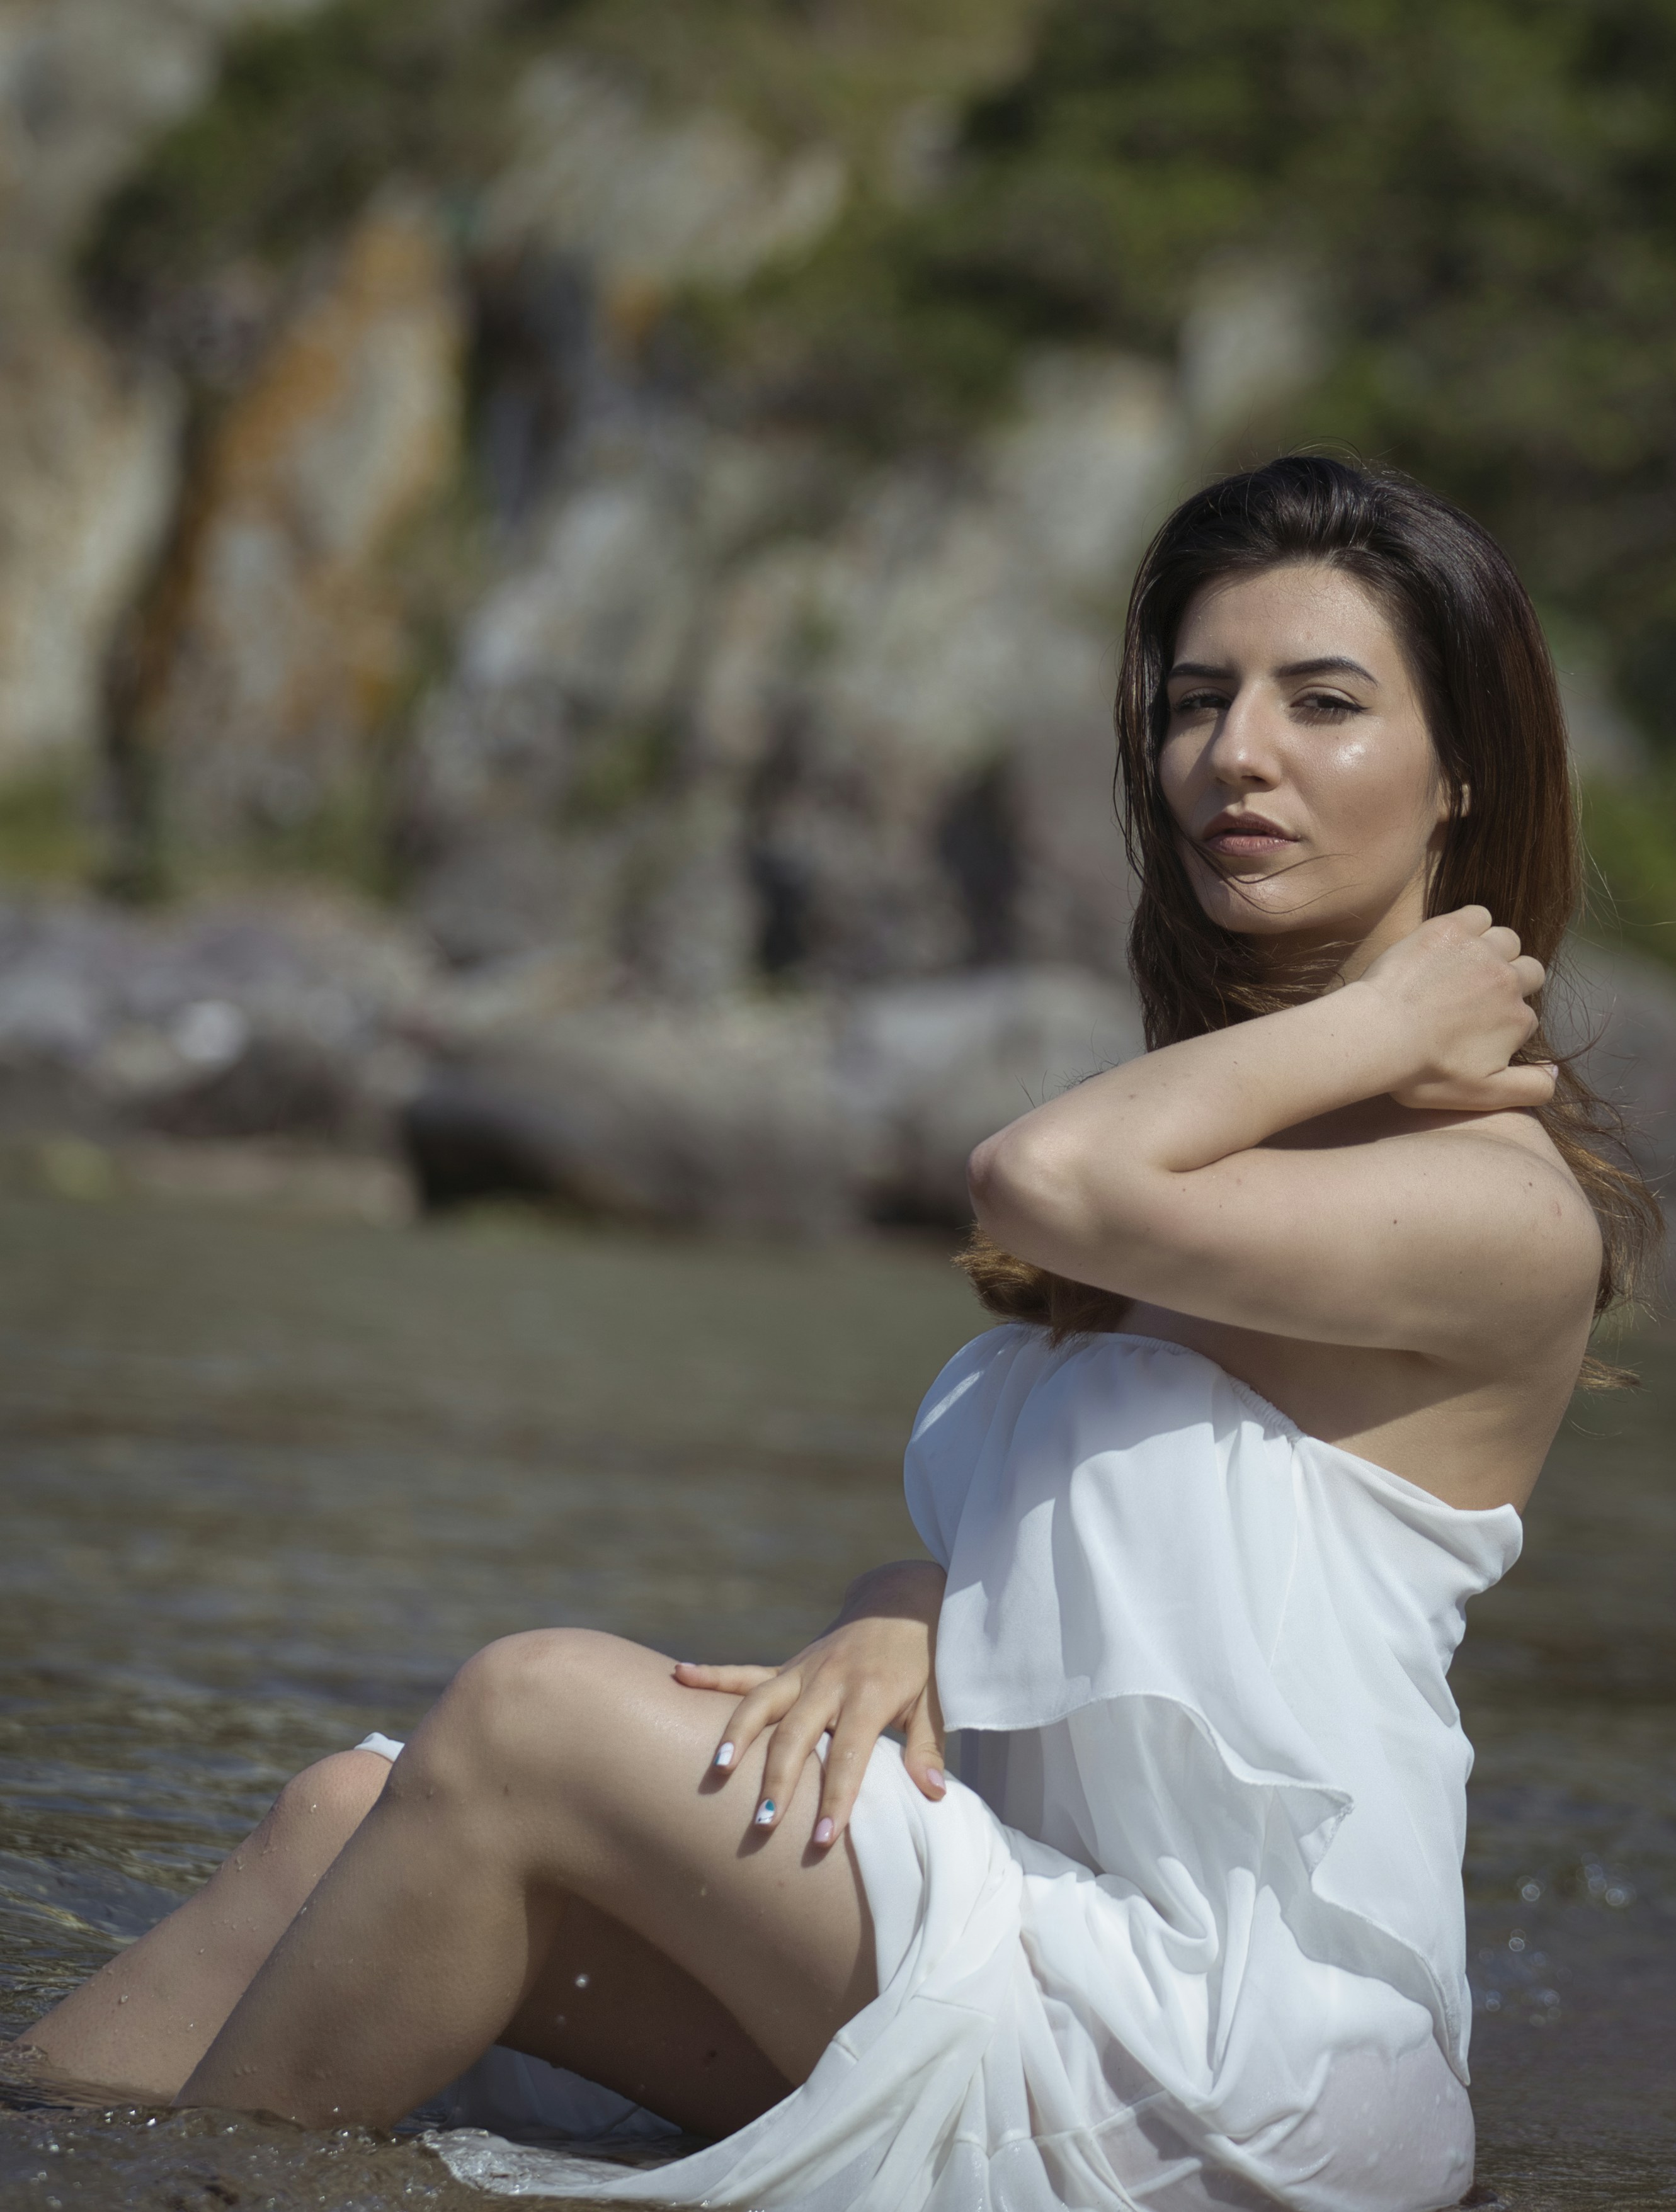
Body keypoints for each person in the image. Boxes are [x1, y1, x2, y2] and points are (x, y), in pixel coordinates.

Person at [10, 457, 1660, 2212]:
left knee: (531, 1715)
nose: (1235, 753)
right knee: (347, 1812)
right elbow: (1135, 1537)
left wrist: (1399, 1009)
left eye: (1322, 702)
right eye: (1197, 700)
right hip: (1039, 1918)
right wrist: (914, 1609)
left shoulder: (1499, 1207)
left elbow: (1045, 1175)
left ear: (1461, 769)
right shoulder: (1235, 1147)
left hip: (1246, 2046)